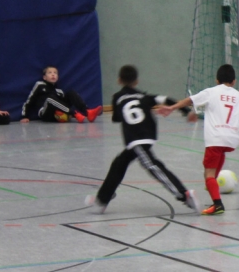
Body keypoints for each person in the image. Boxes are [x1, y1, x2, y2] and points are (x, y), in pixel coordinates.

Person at [158, 64, 239, 216]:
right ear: (234, 81)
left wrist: (172, 107)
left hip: (215, 138)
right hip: (232, 140)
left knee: (208, 174)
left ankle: (217, 204)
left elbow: (190, 100)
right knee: (217, 161)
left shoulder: (211, 92)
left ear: (217, 80)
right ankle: (213, 188)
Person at [85, 65, 199, 213]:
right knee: (119, 162)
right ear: (136, 82)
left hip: (136, 137)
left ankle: (184, 195)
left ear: (119, 80)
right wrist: (186, 111)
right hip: (147, 134)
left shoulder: (117, 97)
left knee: (152, 165)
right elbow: (165, 99)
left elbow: (116, 118)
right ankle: (103, 198)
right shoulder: (145, 97)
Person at [20, 66, 103, 123]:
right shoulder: (39, 85)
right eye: (50, 73)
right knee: (50, 99)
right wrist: (24, 116)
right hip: (45, 113)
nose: (53, 74)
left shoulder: (59, 90)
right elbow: (29, 101)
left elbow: (62, 104)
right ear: (44, 77)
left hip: (58, 114)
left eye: (55, 73)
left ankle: (88, 112)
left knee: (71, 93)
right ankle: (74, 113)